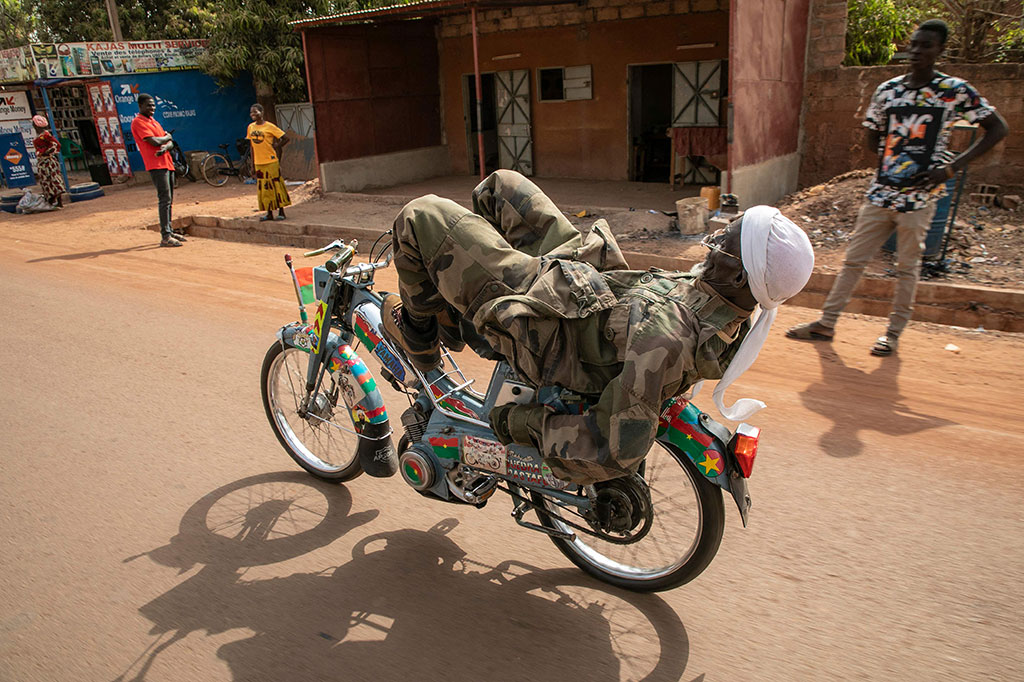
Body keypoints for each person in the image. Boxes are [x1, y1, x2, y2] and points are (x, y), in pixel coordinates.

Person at [382, 170, 814, 486]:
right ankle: (455, 311)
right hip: (587, 291)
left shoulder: (668, 336)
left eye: (724, 244)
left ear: (740, 276)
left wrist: (521, 423)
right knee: (501, 188)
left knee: (420, 215)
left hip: (550, 331)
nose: (713, 244)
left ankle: (420, 339)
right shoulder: (725, 299)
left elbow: (613, 448)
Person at [787, 19, 1008, 356]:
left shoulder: (952, 90)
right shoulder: (888, 90)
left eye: (926, 45)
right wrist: (895, 160)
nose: (916, 51)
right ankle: (826, 324)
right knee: (853, 261)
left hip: (920, 199)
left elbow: (997, 128)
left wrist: (950, 168)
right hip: (881, 193)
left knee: (907, 268)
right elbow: (871, 136)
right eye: (914, 44)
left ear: (940, 50)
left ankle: (892, 334)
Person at [130, 93, 186, 247]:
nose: (152, 108)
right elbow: (154, 141)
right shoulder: (138, 122)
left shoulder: (154, 122)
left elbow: (170, 143)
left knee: (169, 200)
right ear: (140, 106)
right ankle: (165, 236)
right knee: (164, 199)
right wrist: (167, 138)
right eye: (148, 105)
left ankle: (169, 230)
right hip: (156, 165)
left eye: (153, 105)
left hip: (167, 163)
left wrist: (166, 143)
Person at [246, 104, 291, 222]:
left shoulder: (270, 126)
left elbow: (285, 138)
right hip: (259, 163)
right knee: (264, 189)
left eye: (255, 112)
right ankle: (269, 213)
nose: (253, 114)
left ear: (262, 112)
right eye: (251, 112)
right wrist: (252, 164)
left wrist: (277, 145)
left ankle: (281, 212)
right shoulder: (250, 127)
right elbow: (252, 146)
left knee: (276, 186)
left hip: (271, 162)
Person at [31, 114, 65, 208]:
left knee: (52, 179)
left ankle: (56, 201)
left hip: (48, 161)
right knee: (46, 181)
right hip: (43, 161)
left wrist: (47, 152)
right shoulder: (41, 135)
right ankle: (53, 201)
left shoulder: (45, 135)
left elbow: (56, 144)